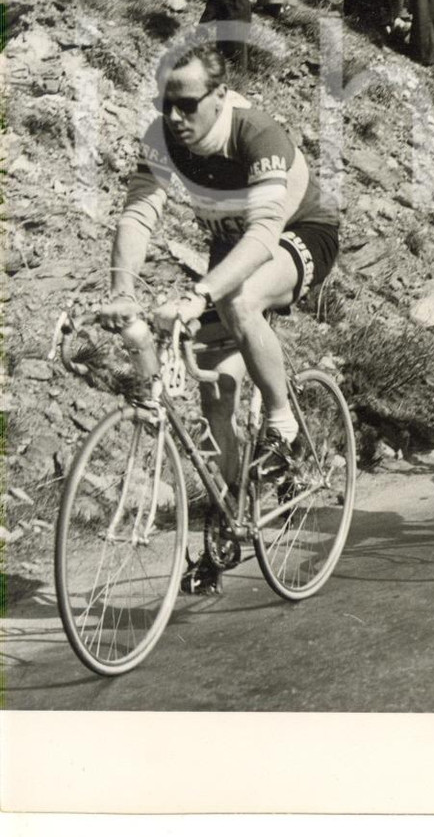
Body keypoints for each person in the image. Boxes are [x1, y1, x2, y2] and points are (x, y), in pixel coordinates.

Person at [98, 43, 340, 580]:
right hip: (231, 248)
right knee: (215, 392)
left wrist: (198, 295)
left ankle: (283, 423)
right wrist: (122, 290)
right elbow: (139, 212)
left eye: (188, 104)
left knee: (239, 297)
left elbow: (261, 236)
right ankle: (232, 518)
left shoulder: (256, 133)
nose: (176, 117)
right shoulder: (162, 137)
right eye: (167, 104)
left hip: (299, 234)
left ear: (221, 96)